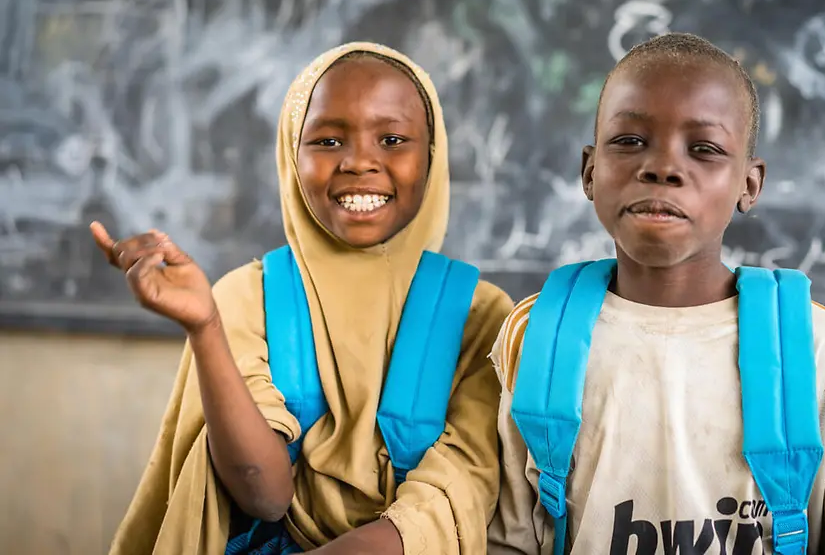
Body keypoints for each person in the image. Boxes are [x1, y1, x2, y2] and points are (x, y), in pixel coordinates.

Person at [94, 42, 513, 554]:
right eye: (329, 141)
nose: (360, 162)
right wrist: (205, 327)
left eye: (393, 138)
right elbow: (265, 496)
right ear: (292, 156)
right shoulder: (246, 299)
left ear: (432, 156)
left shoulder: (482, 318)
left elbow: (448, 506)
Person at [486, 33, 825, 554]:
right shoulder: (537, 335)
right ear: (590, 171)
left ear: (750, 184)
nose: (662, 167)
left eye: (703, 149)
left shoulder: (814, 349)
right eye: (630, 141)